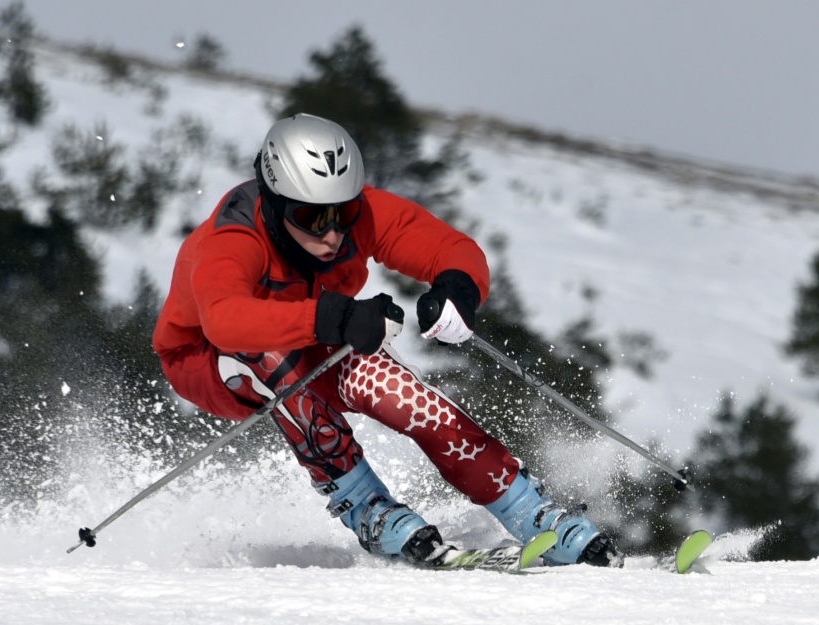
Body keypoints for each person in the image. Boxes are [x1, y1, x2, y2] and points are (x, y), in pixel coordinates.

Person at [152, 113, 621, 567]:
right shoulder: (233, 239)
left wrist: (457, 289)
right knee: (268, 359)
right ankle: (367, 507)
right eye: (312, 218)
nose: (333, 233)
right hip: (209, 359)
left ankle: (529, 511)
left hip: (312, 337)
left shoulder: (359, 218)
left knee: (398, 393)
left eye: (344, 212)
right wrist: (334, 315)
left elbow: (449, 248)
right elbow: (225, 320)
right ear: (275, 204)